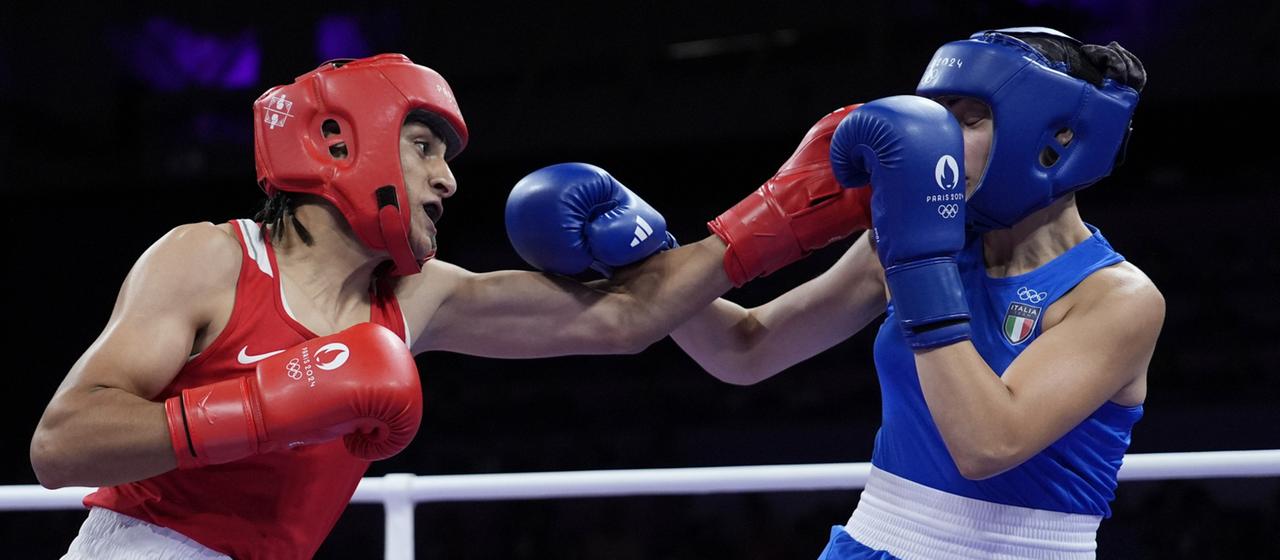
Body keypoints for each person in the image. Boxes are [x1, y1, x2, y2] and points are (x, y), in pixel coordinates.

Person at [29, 53, 870, 559]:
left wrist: (768, 222)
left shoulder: (416, 298)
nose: (447, 179)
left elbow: (622, 320)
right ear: (337, 143)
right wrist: (261, 404)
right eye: (424, 146)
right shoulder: (208, 257)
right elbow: (61, 445)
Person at [665, 28, 1161, 558]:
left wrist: (919, 262)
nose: (940, 142)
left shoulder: (1114, 298)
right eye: (936, 120)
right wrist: (649, 262)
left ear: (1056, 137)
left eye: (968, 120)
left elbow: (987, 444)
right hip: (869, 539)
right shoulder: (906, 241)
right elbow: (745, 348)